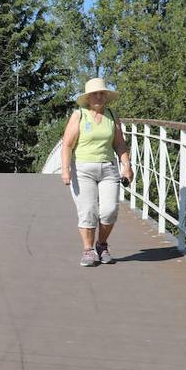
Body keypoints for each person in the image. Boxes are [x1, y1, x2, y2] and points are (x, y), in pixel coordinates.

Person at [60, 77, 133, 266]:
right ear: (88, 98)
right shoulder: (79, 115)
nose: (99, 97)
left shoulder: (111, 115)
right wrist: (66, 170)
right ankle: (88, 250)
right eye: (95, 94)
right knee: (88, 211)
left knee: (109, 211)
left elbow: (119, 144)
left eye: (102, 93)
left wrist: (127, 166)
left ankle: (101, 245)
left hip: (108, 169)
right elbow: (67, 145)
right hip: (82, 169)